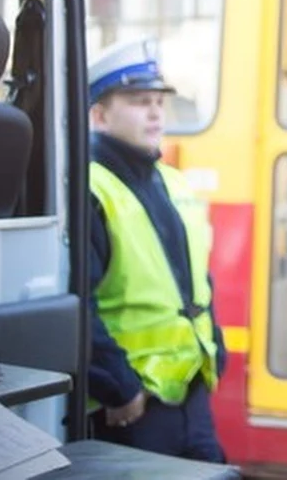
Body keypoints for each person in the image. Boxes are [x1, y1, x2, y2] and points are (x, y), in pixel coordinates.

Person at [86, 38, 227, 463]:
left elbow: (195, 279)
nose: (154, 112)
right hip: (133, 407)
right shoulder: (90, 187)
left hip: (190, 391)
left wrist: (215, 349)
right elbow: (79, 306)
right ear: (98, 115)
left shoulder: (172, 181)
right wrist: (120, 386)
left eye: (158, 102)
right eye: (137, 101)